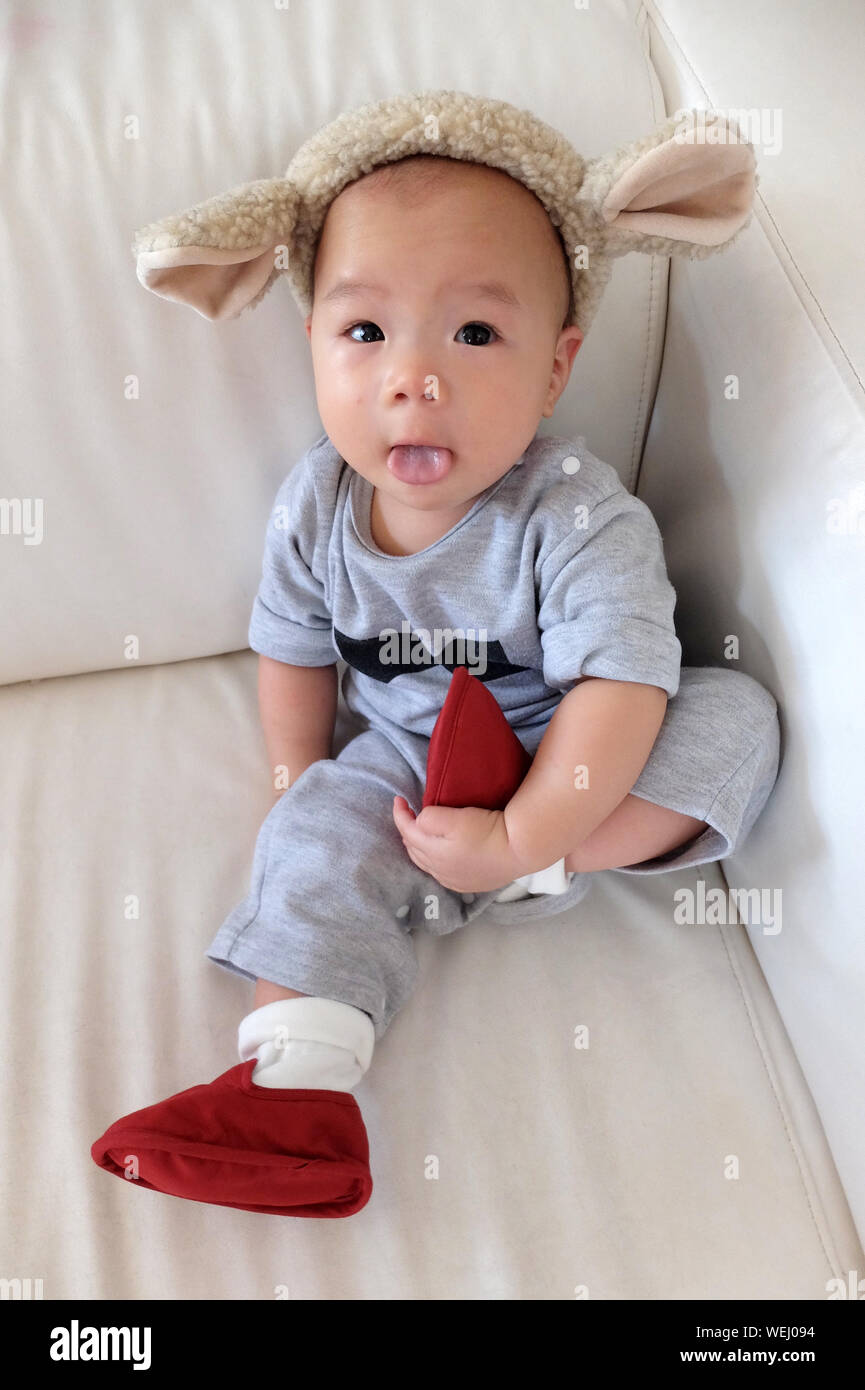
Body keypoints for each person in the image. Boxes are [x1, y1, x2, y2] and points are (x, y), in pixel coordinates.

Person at [91, 93, 780, 1218]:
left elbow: (622, 682)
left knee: (736, 721)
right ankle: (296, 1087)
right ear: (312, 343)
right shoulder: (315, 501)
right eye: (365, 332)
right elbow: (292, 650)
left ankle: (548, 870)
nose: (414, 376)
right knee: (313, 834)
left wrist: (528, 833)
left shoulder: (572, 512)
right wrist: (292, 777)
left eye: (473, 334)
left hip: (566, 750)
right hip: (406, 761)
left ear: (555, 369)